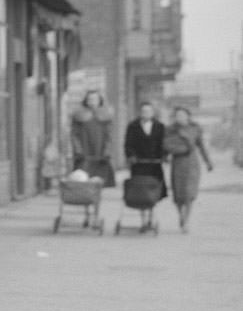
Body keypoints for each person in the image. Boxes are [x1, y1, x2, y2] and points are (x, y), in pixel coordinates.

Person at [165, 106, 213, 233]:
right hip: (177, 163)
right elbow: (165, 145)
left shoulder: (195, 129)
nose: (180, 117)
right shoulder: (170, 130)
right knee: (178, 193)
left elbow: (201, 146)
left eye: (182, 115)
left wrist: (208, 162)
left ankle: (186, 220)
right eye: (177, 115)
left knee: (189, 193)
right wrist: (164, 157)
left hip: (191, 163)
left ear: (188, 116)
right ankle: (180, 214)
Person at [124, 101, 167, 231]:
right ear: (140, 113)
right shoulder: (133, 126)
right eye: (143, 111)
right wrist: (131, 156)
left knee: (153, 192)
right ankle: (143, 219)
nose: (146, 114)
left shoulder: (160, 127)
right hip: (139, 164)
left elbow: (164, 143)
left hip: (154, 164)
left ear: (153, 113)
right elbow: (128, 144)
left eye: (148, 111)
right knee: (140, 192)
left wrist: (163, 156)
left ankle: (150, 218)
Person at [70, 90, 115, 187]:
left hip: (99, 150)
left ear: (99, 100)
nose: (92, 101)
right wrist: (78, 150)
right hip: (85, 151)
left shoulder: (106, 115)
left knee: (99, 180)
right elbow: (74, 135)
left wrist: (107, 150)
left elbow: (109, 135)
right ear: (86, 100)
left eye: (94, 99)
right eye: (90, 99)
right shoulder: (79, 115)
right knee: (82, 180)